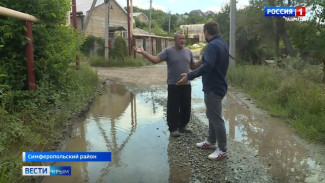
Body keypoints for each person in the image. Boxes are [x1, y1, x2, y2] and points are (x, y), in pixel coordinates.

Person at [176, 21, 229, 160]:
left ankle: (222, 149)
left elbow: (208, 66)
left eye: (204, 32)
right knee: (211, 114)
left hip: (213, 86)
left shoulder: (212, 46)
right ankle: (211, 141)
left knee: (216, 118)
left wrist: (189, 75)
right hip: (218, 84)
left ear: (206, 32)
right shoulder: (222, 43)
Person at [133, 32, 202, 137]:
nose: (182, 40)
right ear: (175, 40)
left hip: (186, 84)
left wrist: (203, 60)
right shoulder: (168, 51)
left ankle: (183, 126)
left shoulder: (188, 51)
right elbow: (155, 60)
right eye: (180, 39)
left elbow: (192, 66)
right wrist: (143, 52)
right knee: (173, 107)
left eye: (183, 39)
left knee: (186, 106)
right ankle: (173, 128)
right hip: (173, 84)